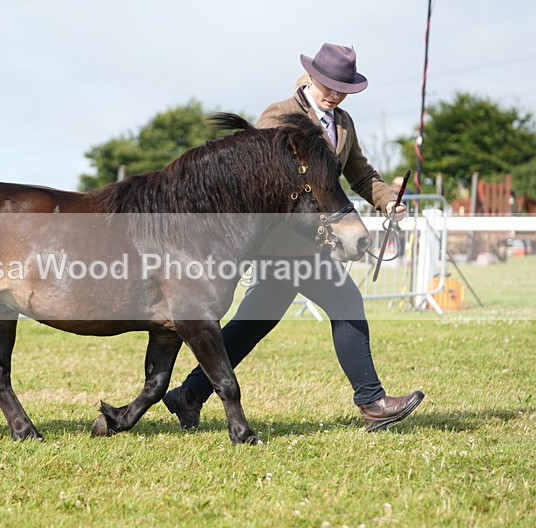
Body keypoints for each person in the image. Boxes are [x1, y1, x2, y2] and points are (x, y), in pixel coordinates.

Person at [163, 43, 424, 432]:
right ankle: (372, 401)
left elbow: (361, 174)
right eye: (329, 85)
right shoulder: (279, 116)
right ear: (312, 77)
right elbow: (264, 178)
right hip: (281, 242)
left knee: (253, 322)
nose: (335, 94)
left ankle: (188, 394)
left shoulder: (343, 122)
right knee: (346, 301)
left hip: (309, 242)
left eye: (343, 89)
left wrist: (387, 201)